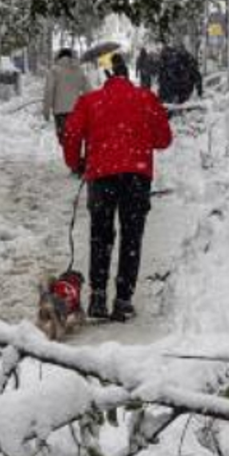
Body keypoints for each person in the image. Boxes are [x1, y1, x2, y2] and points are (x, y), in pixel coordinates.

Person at [62, 54, 173, 322]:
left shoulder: (90, 101)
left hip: (101, 176)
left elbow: (71, 135)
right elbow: (163, 139)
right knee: (131, 237)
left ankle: (98, 297)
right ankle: (123, 300)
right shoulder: (145, 98)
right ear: (128, 77)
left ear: (108, 79)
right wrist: (139, 139)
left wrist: (77, 163)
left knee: (101, 235)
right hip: (136, 176)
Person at [43, 48, 91, 146]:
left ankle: (68, 158)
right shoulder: (79, 70)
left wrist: (46, 110)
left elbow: (49, 91)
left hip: (60, 112)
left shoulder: (54, 71)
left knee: (64, 140)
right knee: (75, 140)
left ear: (59, 57)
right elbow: (89, 91)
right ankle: (74, 159)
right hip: (76, 111)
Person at [158, 42, 203, 106]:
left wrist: (199, 90)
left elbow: (196, 76)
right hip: (177, 89)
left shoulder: (183, 59)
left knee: (175, 102)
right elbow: (197, 76)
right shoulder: (171, 60)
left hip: (179, 88)